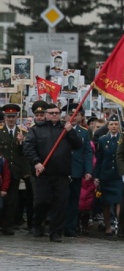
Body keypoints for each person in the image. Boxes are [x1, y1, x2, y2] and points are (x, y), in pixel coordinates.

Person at [23, 102, 82, 242]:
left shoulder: (65, 128)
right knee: (42, 201)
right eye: (51, 113)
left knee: (60, 204)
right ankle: (38, 223)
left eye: (57, 112)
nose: (55, 115)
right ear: (46, 114)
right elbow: (28, 147)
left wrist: (71, 131)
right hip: (43, 173)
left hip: (61, 174)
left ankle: (56, 232)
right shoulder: (37, 130)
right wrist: (37, 162)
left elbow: (78, 145)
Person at [64, 104, 93, 237]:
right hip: (61, 169)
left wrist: (88, 170)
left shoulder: (84, 132)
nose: (73, 117)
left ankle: (71, 227)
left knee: (74, 200)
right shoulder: (60, 129)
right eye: (70, 114)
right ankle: (59, 225)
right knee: (60, 199)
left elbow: (87, 153)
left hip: (76, 169)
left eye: (76, 115)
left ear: (81, 117)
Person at [93, 115, 124, 237]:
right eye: (111, 124)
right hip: (106, 175)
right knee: (106, 202)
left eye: (116, 124)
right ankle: (108, 226)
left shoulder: (123, 139)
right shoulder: (102, 139)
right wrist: (96, 175)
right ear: (108, 126)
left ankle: (118, 225)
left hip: (119, 174)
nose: (114, 126)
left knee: (119, 200)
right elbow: (99, 159)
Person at [0, 103, 27, 235]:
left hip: (15, 171)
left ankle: (8, 226)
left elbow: (24, 155)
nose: (11, 119)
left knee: (12, 200)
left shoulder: (22, 132)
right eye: (8, 116)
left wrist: (21, 143)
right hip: (1, 172)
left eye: (13, 116)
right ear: (5, 117)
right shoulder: (0, 132)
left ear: (17, 117)